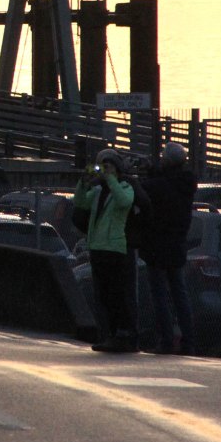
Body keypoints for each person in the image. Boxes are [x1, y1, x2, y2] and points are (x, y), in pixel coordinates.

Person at [73, 149, 137, 353]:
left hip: (115, 248)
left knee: (117, 294)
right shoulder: (98, 191)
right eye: (102, 166)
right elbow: (80, 202)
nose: (104, 170)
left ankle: (124, 335)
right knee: (103, 296)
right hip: (97, 248)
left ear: (117, 170)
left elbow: (124, 201)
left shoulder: (126, 187)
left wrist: (111, 179)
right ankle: (110, 334)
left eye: (108, 167)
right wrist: (83, 183)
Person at [138, 142, 197, 354]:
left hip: (157, 245)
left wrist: (147, 173)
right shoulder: (186, 183)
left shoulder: (157, 185)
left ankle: (166, 340)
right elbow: (165, 183)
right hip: (178, 244)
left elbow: (151, 188)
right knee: (180, 294)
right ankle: (188, 341)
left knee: (160, 295)